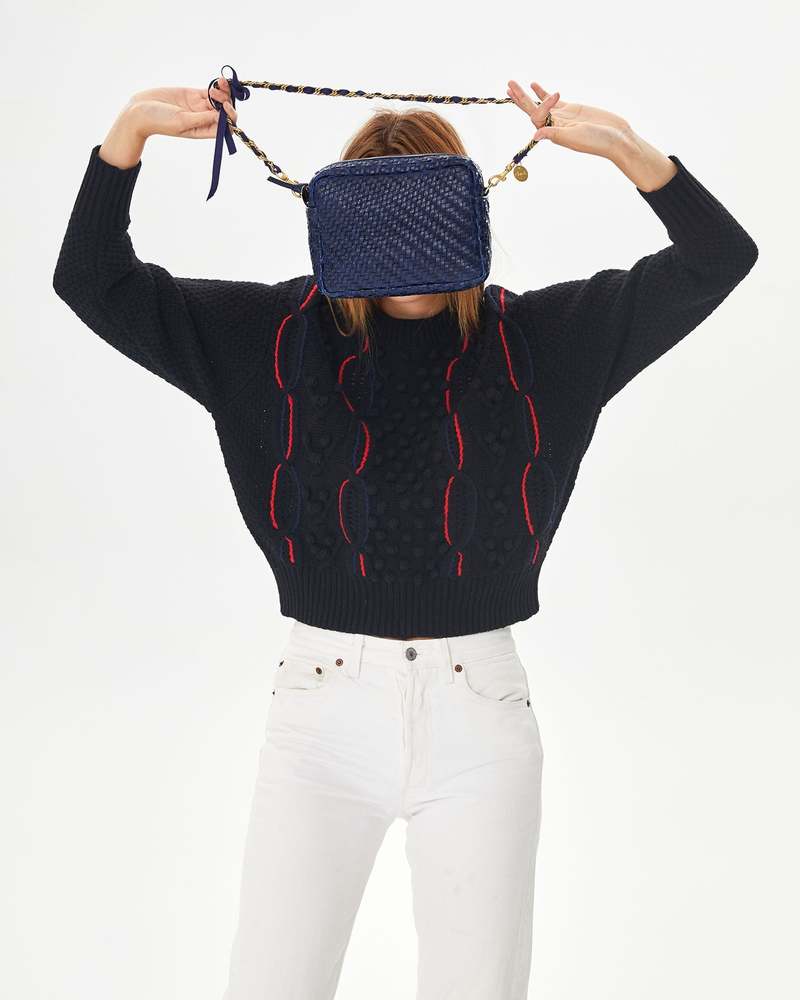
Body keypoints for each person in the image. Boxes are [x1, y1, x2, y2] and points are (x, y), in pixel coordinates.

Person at [52, 73, 758, 1000]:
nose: (406, 244)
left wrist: (627, 150)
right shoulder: (272, 337)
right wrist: (127, 138)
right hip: (320, 712)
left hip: (480, 712)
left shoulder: (540, 339)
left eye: (428, 212)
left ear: (470, 211)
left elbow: (718, 258)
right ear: (334, 221)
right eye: (379, 218)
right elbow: (92, 279)